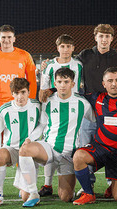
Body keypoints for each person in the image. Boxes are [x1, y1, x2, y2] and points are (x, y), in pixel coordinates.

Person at [17, 68, 95, 207]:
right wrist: (30, 138)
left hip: (69, 154)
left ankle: (41, 183)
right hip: (49, 148)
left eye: (66, 81)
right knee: (25, 150)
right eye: (59, 82)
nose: (63, 85)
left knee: (65, 197)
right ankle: (33, 192)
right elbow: (42, 124)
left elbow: (95, 121)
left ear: (72, 83)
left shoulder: (83, 103)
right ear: (55, 83)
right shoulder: (48, 101)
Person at [71, 67, 117, 205]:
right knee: (78, 156)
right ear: (104, 84)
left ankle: (114, 184)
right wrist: (51, 90)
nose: (114, 84)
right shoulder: (97, 98)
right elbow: (71, 94)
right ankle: (88, 193)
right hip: (101, 148)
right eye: (110, 81)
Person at [75, 24, 117, 197]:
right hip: (89, 109)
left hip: (111, 111)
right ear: (95, 37)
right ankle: (87, 184)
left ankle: (112, 182)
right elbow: (69, 70)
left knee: (110, 145)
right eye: (101, 36)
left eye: (107, 36)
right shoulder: (84, 55)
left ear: (112, 38)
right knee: (86, 145)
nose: (104, 39)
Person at [0, 24, 38, 197]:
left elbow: (32, 82)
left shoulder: (24, 56)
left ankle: (22, 183)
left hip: (22, 107)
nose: (6, 40)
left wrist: (33, 103)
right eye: (3, 37)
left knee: (22, 143)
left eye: (9, 37)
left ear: (14, 38)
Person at [37, 34, 83, 197]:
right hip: (53, 106)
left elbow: (77, 87)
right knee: (50, 142)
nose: (65, 49)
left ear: (73, 48)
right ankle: (47, 184)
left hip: (73, 107)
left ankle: (82, 183)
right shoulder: (49, 65)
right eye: (62, 46)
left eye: (68, 46)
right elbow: (44, 90)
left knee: (74, 143)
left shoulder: (78, 65)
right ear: (57, 48)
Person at [0, 78, 43, 207]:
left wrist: (31, 139)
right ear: (12, 94)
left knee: (25, 197)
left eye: (23, 92)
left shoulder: (37, 106)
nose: (20, 97)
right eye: (16, 93)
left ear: (29, 92)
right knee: (0, 155)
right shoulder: (5, 110)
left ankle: (24, 189)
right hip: (11, 149)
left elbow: (42, 125)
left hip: (29, 151)